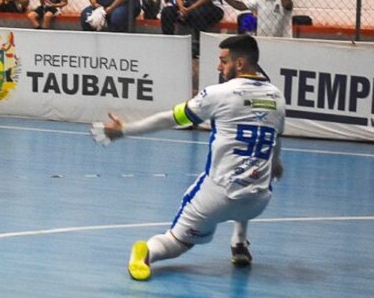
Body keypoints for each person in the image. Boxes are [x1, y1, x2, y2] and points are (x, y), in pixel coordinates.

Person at [90, 34, 285, 281]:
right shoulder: (276, 97)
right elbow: (276, 141)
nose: (218, 67)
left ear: (240, 63)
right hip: (258, 202)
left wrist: (125, 130)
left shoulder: (218, 94)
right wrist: (276, 163)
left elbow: (170, 119)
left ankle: (145, 253)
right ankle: (238, 242)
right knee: (251, 173)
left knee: (178, 242)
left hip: (216, 200)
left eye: (223, 61)